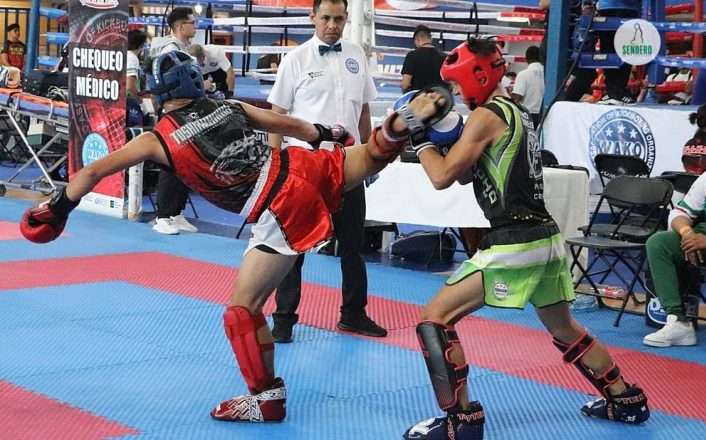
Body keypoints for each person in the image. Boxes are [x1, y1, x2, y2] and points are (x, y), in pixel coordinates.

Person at [19, 50, 450, 423]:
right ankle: (402, 125)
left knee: (242, 311)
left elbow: (94, 170)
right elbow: (294, 126)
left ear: (158, 92)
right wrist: (328, 135)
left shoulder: (156, 139)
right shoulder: (229, 106)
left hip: (279, 204)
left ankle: (265, 398)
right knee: (373, 153)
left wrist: (58, 208)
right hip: (303, 165)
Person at [401, 39, 650, 440]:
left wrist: (419, 136)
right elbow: (464, 175)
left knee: (435, 319)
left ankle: (460, 423)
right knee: (564, 328)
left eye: (458, 84)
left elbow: (441, 177)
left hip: (515, 242)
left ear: (476, 75)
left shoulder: (486, 115)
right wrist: (445, 140)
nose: (457, 93)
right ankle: (625, 400)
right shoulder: (514, 111)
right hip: (545, 239)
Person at [267, 0, 386, 342]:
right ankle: (284, 319)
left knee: (353, 245)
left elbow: (363, 111)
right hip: (306, 168)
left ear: (346, 19)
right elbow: (276, 114)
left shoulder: (356, 55)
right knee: (293, 246)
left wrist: (371, 155)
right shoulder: (296, 59)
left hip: (349, 164)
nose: (333, 25)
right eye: (326, 18)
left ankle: (353, 314)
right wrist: (275, 163)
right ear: (313, 18)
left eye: (339, 18)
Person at [643, 103, 706, 348]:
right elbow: (680, 212)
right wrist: (687, 233)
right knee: (659, 242)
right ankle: (678, 322)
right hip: (704, 238)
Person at [150, 7, 198, 235]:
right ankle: (162, 216)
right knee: (170, 163)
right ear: (180, 26)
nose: (195, 26)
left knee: (186, 162)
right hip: (173, 113)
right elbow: (163, 85)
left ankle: (176, 213)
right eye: (192, 22)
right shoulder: (170, 52)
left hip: (187, 112)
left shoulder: (184, 50)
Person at [565, 0, 640, 105]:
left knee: (623, 50)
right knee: (610, 49)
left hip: (627, 9)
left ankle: (617, 92)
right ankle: (614, 92)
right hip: (609, 8)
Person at [401, 24, 446, 93]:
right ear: (431, 39)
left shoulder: (412, 56)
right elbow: (450, 84)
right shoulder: (444, 56)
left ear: (417, 40)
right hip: (440, 97)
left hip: (420, 98)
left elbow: (405, 84)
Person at [511, 45, 545, 127]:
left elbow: (517, 97)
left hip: (527, 115)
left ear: (526, 58)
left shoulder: (523, 74)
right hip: (545, 114)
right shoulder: (548, 73)